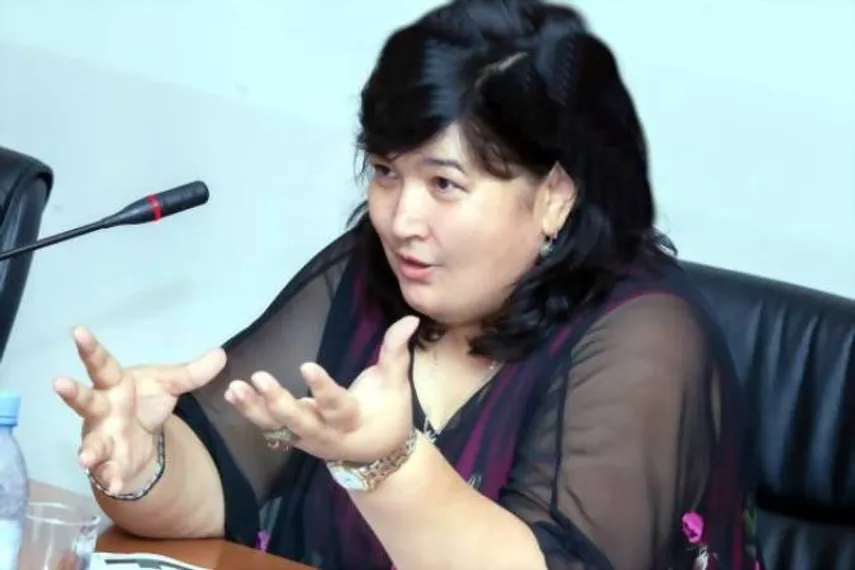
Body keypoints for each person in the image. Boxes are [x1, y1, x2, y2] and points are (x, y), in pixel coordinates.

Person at [53, 1, 764, 569]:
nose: (400, 220)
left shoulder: (646, 336)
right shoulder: (371, 274)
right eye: (386, 172)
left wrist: (386, 468)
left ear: (555, 194)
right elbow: (216, 482)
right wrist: (141, 465)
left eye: (444, 184)